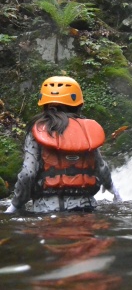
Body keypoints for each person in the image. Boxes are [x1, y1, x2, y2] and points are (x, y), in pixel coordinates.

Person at [5, 76, 121, 213]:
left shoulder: (37, 131)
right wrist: (112, 189)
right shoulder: (86, 131)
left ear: (44, 103)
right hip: (86, 209)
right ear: (78, 104)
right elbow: (101, 167)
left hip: (47, 211)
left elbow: (28, 174)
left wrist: (16, 205)